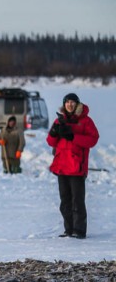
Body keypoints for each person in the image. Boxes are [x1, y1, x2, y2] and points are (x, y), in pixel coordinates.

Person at [46, 93, 99, 239]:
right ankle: (68, 230)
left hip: (76, 167)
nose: (69, 104)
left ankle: (79, 230)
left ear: (77, 104)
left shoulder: (85, 121)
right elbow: (51, 142)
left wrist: (73, 137)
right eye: (67, 102)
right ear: (64, 104)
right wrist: (54, 132)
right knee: (65, 202)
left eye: (72, 102)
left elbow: (93, 139)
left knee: (77, 201)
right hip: (62, 166)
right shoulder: (59, 120)